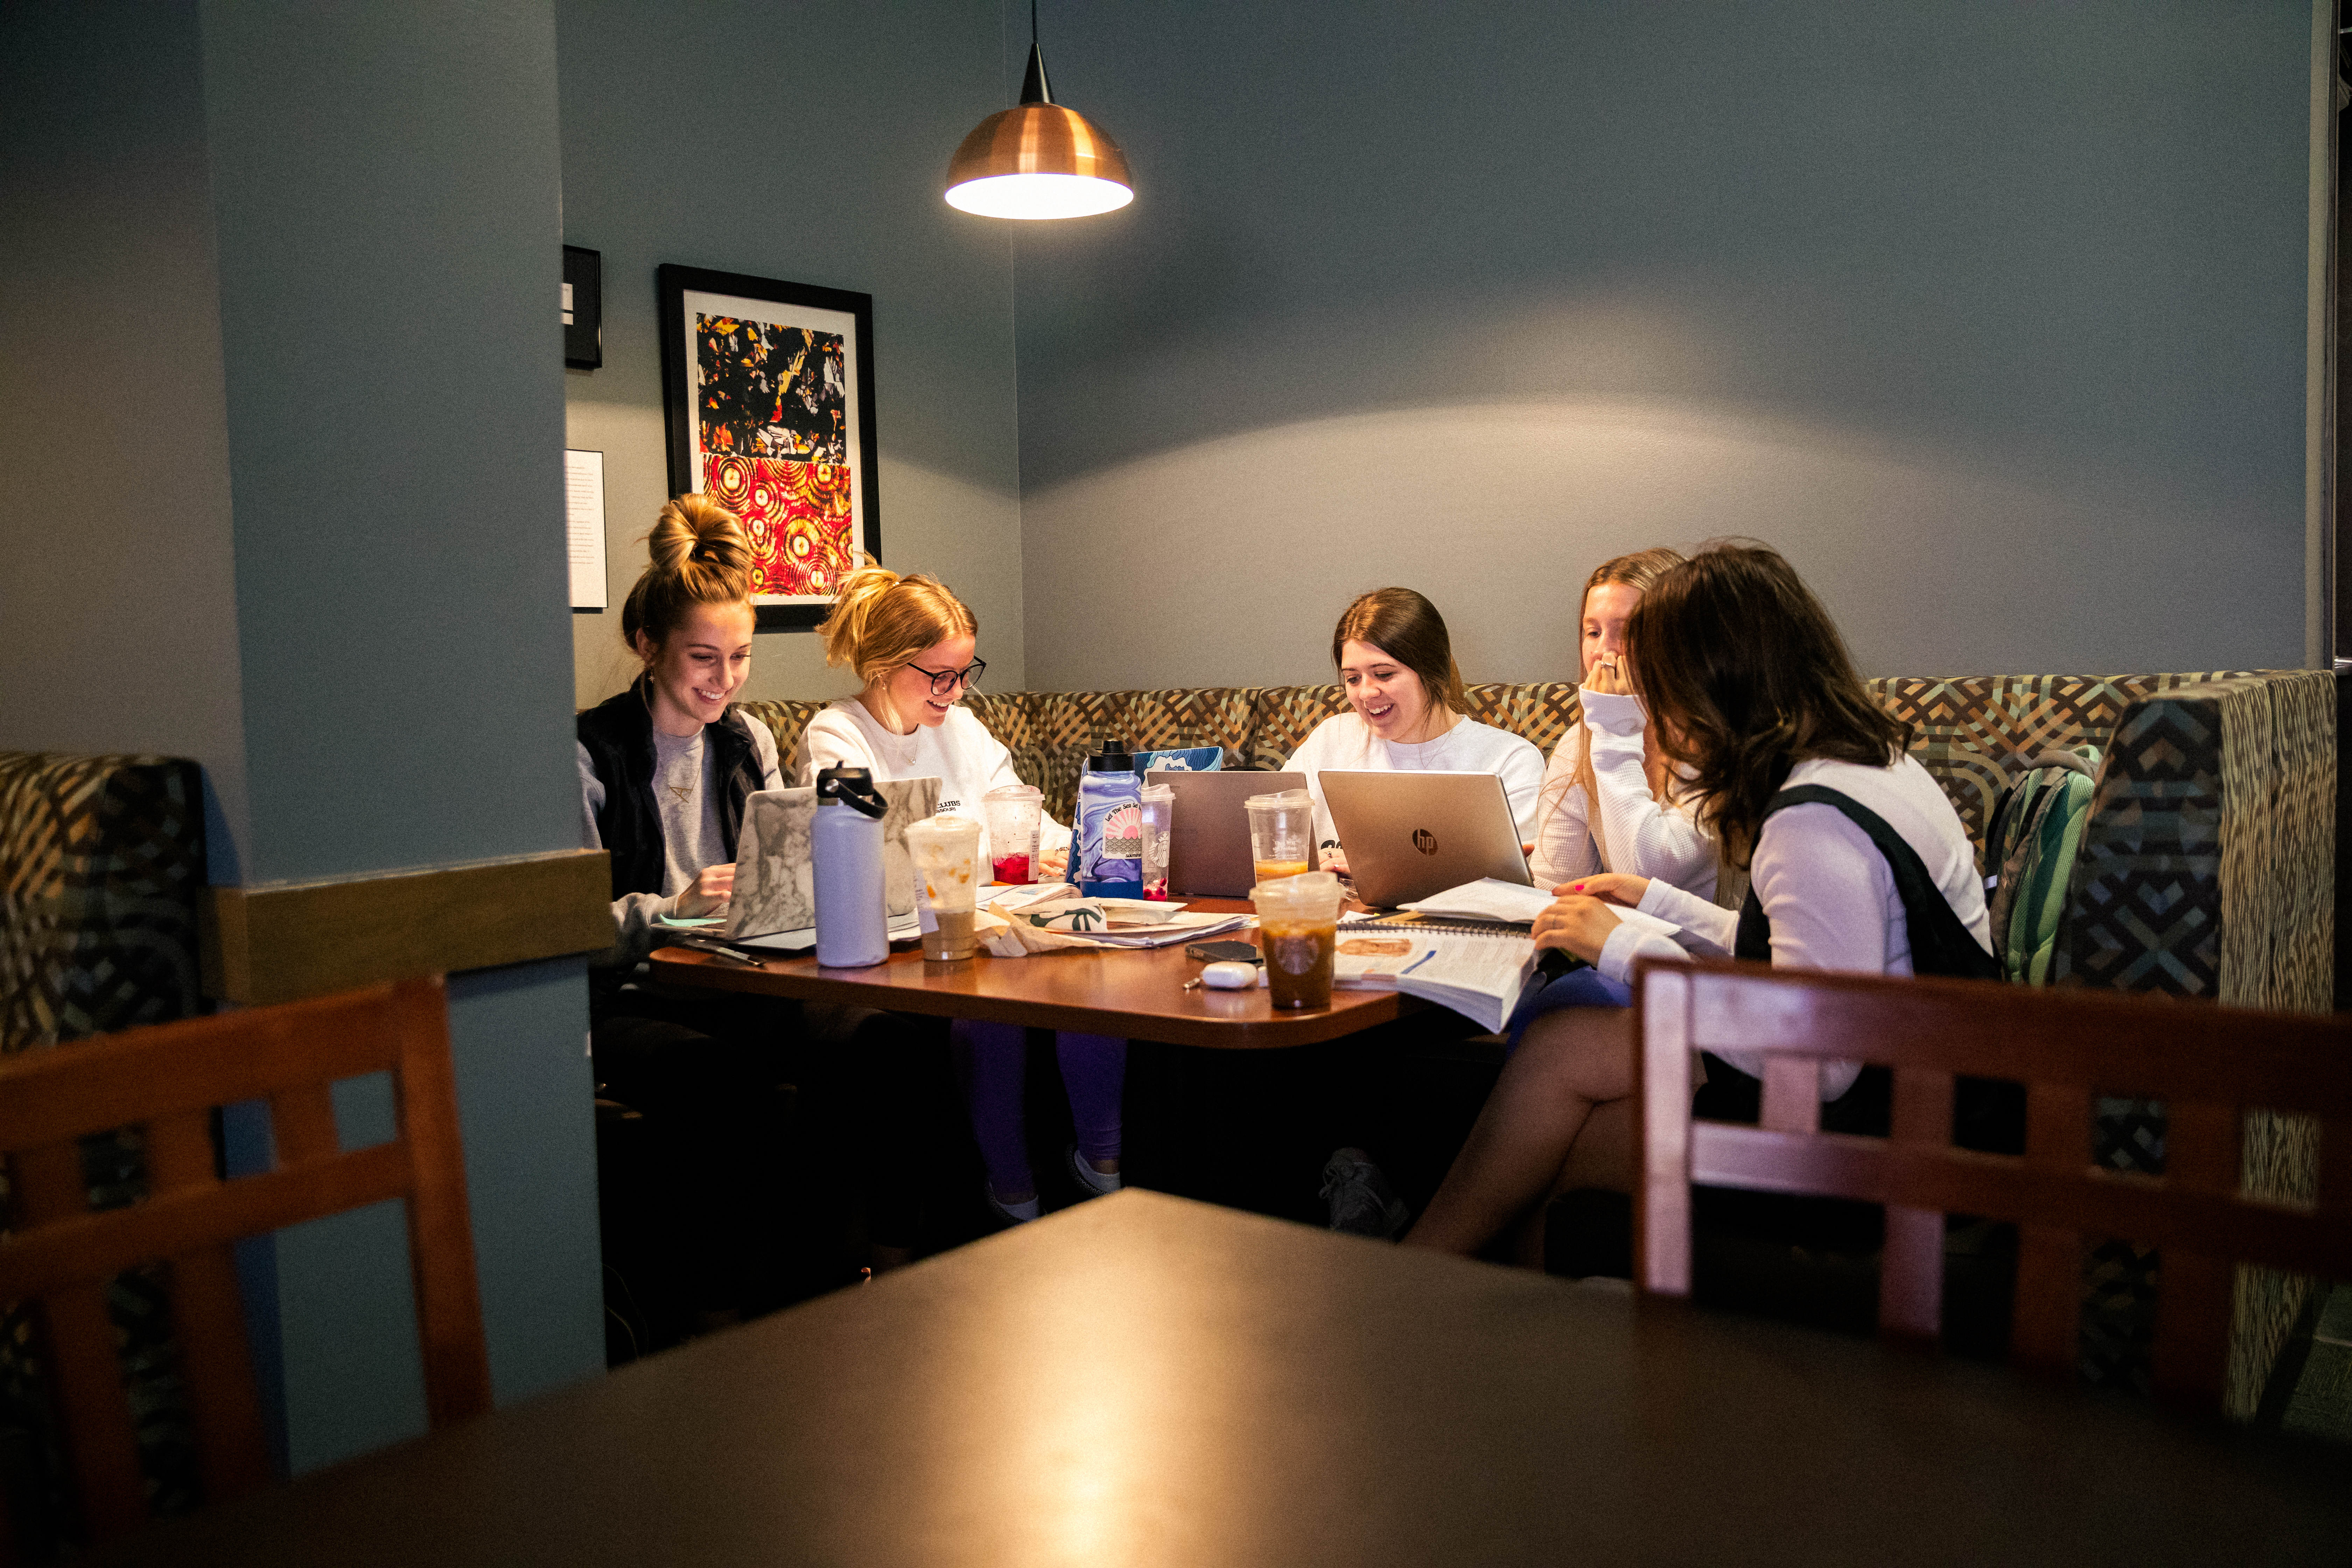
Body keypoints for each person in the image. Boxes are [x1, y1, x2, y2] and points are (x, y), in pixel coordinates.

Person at [1402, 541, 1994, 1266]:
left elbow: (1819, 1056)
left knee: (1569, 1154)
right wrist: (1655, 902)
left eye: (1664, 692)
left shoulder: (1814, 821)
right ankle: (1431, 1273)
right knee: (1564, 1053)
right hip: (1895, 1080)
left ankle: (1422, 1276)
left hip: (1885, 1130)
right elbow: (1797, 960)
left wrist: (1623, 947)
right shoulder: (1864, 760)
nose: (1662, 718)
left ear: (1716, 687)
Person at [578, 494, 877, 1330]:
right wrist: (671, 908)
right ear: (648, 647)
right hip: (627, 998)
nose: (725, 680)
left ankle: (817, 1291)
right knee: (728, 1087)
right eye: (703, 658)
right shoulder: (589, 753)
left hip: (735, 985)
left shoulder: (746, 741)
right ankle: (712, 1316)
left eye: (740, 657)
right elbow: (568, 931)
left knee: (866, 1036)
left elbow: (785, 865)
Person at [792, 565, 1118, 1229]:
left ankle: (1101, 1166)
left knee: (1093, 976)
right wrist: (980, 864)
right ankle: (1013, 1191)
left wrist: (1062, 844)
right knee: (990, 1006)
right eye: (939, 674)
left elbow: (1019, 812)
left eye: (966, 672)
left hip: (988, 919)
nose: (956, 690)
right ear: (884, 664)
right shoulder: (837, 738)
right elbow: (867, 859)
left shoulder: (962, 729)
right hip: (902, 943)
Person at [1286, 587, 1546, 875]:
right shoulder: (1331, 739)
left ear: (1432, 671)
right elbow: (1267, 830)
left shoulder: (1510, 761)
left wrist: (1387, 869)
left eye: (1384, 674)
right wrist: (1306, 869)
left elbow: (1516, 885)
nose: (1366, 693)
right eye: (1353, 678)